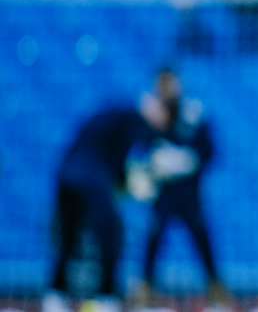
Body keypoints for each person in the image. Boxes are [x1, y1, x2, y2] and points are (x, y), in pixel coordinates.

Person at [44, 104, 160, 312]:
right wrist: (129, 183)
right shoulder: (132, 119)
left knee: (67, 239)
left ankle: (54, 296)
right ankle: (106, 298)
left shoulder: (109, 113)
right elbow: (119, 161)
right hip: (92, 179)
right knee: (112, 236)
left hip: (66, 174)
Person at [131, 69, 230, 308]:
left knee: (202, 238)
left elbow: (210, 151)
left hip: (188, 194)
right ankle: (145, 289)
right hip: (163, 194)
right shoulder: (151, 116)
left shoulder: (193, 114)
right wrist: (152, 167)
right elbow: (140, 151)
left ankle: (215, 288)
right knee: (153, 240)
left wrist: (188, 160)